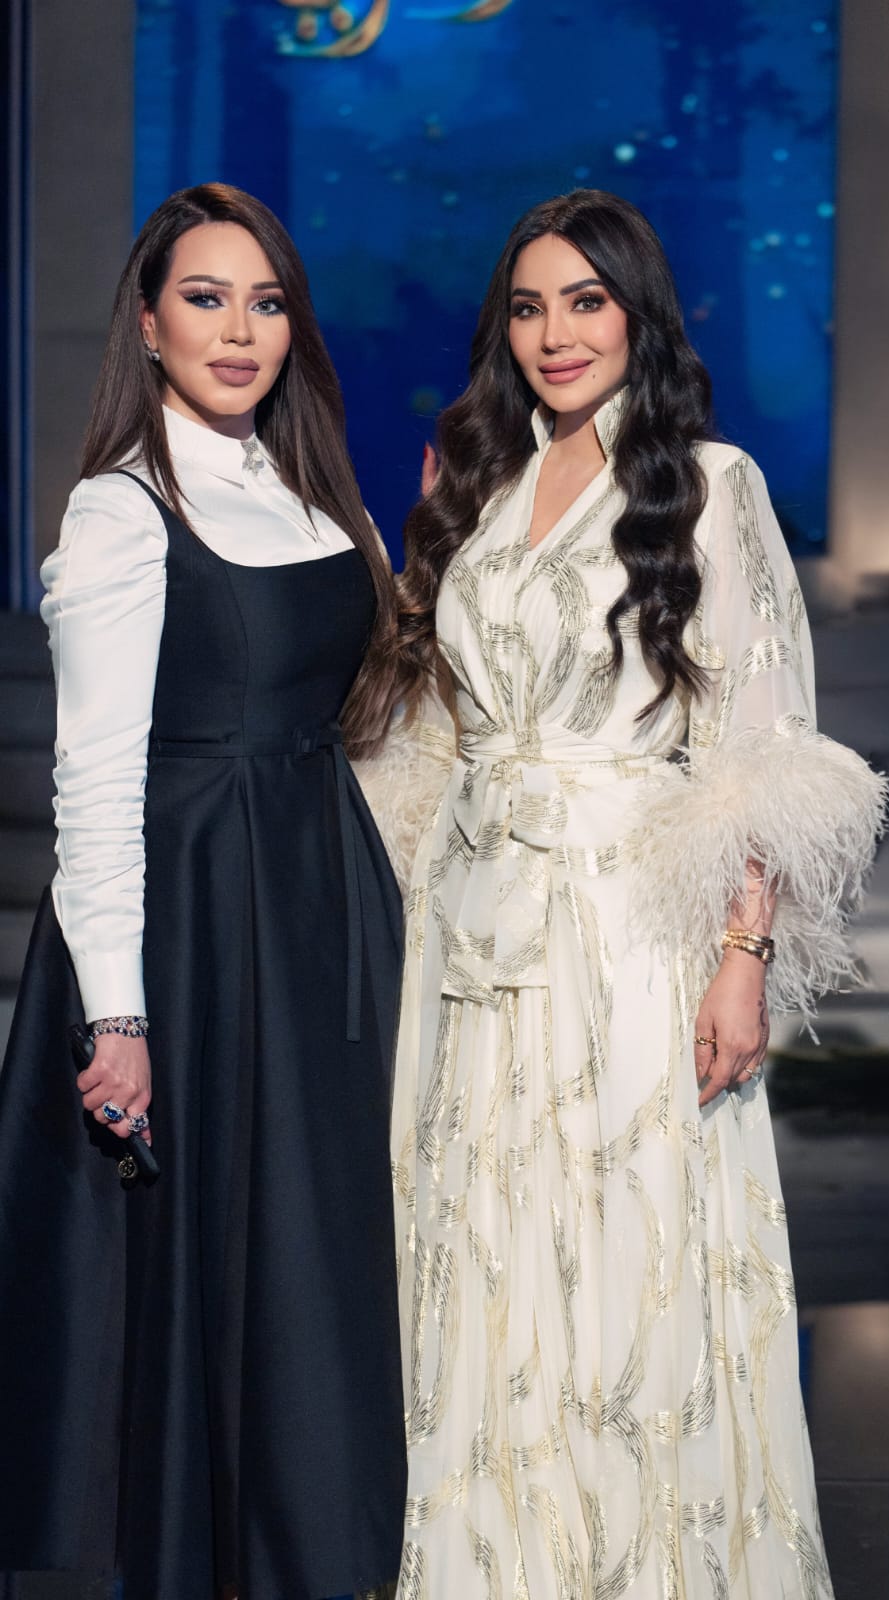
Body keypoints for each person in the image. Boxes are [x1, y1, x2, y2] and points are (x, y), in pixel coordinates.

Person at [387, 190, 888, 1598]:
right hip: (469, 924)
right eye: (529, 306)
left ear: (637, 313)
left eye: (586, 301)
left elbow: (760, 744)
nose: (556, 333)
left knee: (622, 1255)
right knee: (480, 1243)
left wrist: (743, 953)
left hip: (622, 928)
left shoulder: (708, 483)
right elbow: (432, 717)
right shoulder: (479, 483)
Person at [0, 183, 406, 1600]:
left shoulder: (309, 490)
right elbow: (96, 781)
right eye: (206, 298)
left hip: (314, 896)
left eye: (266, 301)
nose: (239, 331)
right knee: (209, 1264)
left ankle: (315, 1548)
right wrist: (115, 1015)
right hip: (194, 919)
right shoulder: (121, 510)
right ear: (148, 323)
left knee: (313, 1247)